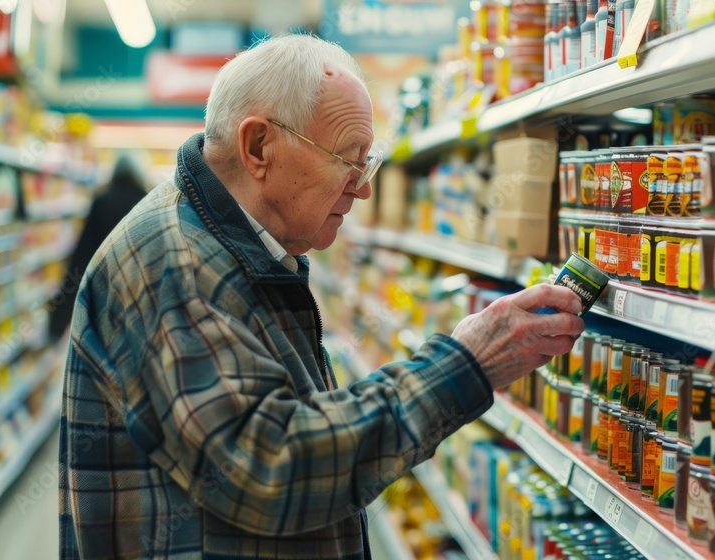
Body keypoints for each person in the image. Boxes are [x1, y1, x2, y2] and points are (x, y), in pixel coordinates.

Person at [59, 34, 583, 560]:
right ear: (259, 146)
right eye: (347, 159)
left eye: (367, 163)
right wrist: (465, 365)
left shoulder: (242, 244)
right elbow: (270, 468)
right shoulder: (177, 266)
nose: (363, 188)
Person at [48, 154, 147, 340]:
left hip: (104, 298)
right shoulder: (146, 203)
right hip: (138, 297)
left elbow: (82, 255)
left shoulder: (102, 202)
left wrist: (58, 321)